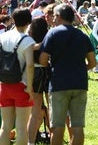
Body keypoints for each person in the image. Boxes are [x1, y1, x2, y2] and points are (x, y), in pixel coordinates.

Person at [39, 4, 97, 145]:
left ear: (58, 17)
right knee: (77, 127)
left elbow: (42, 60)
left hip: (59, 83)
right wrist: (81, 69)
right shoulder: (82, 36)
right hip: (80, 83)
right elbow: (93, 62)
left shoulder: (52, 33)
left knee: (57, 127)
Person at [0, 8, 35, 145]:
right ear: (28, 22)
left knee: (5, 127)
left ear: (13, 20)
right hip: (22, 86)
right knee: (21, 129)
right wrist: (30, 88)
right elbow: (30, 65)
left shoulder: (2, 37)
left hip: (4, 85)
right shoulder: (27, 40)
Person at [27, 16, 49, 145]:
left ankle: (30, 141)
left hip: (32, 73)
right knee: (48, 109)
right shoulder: (46, 40)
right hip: (43, 72)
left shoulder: (27, 40)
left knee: (34, 111)